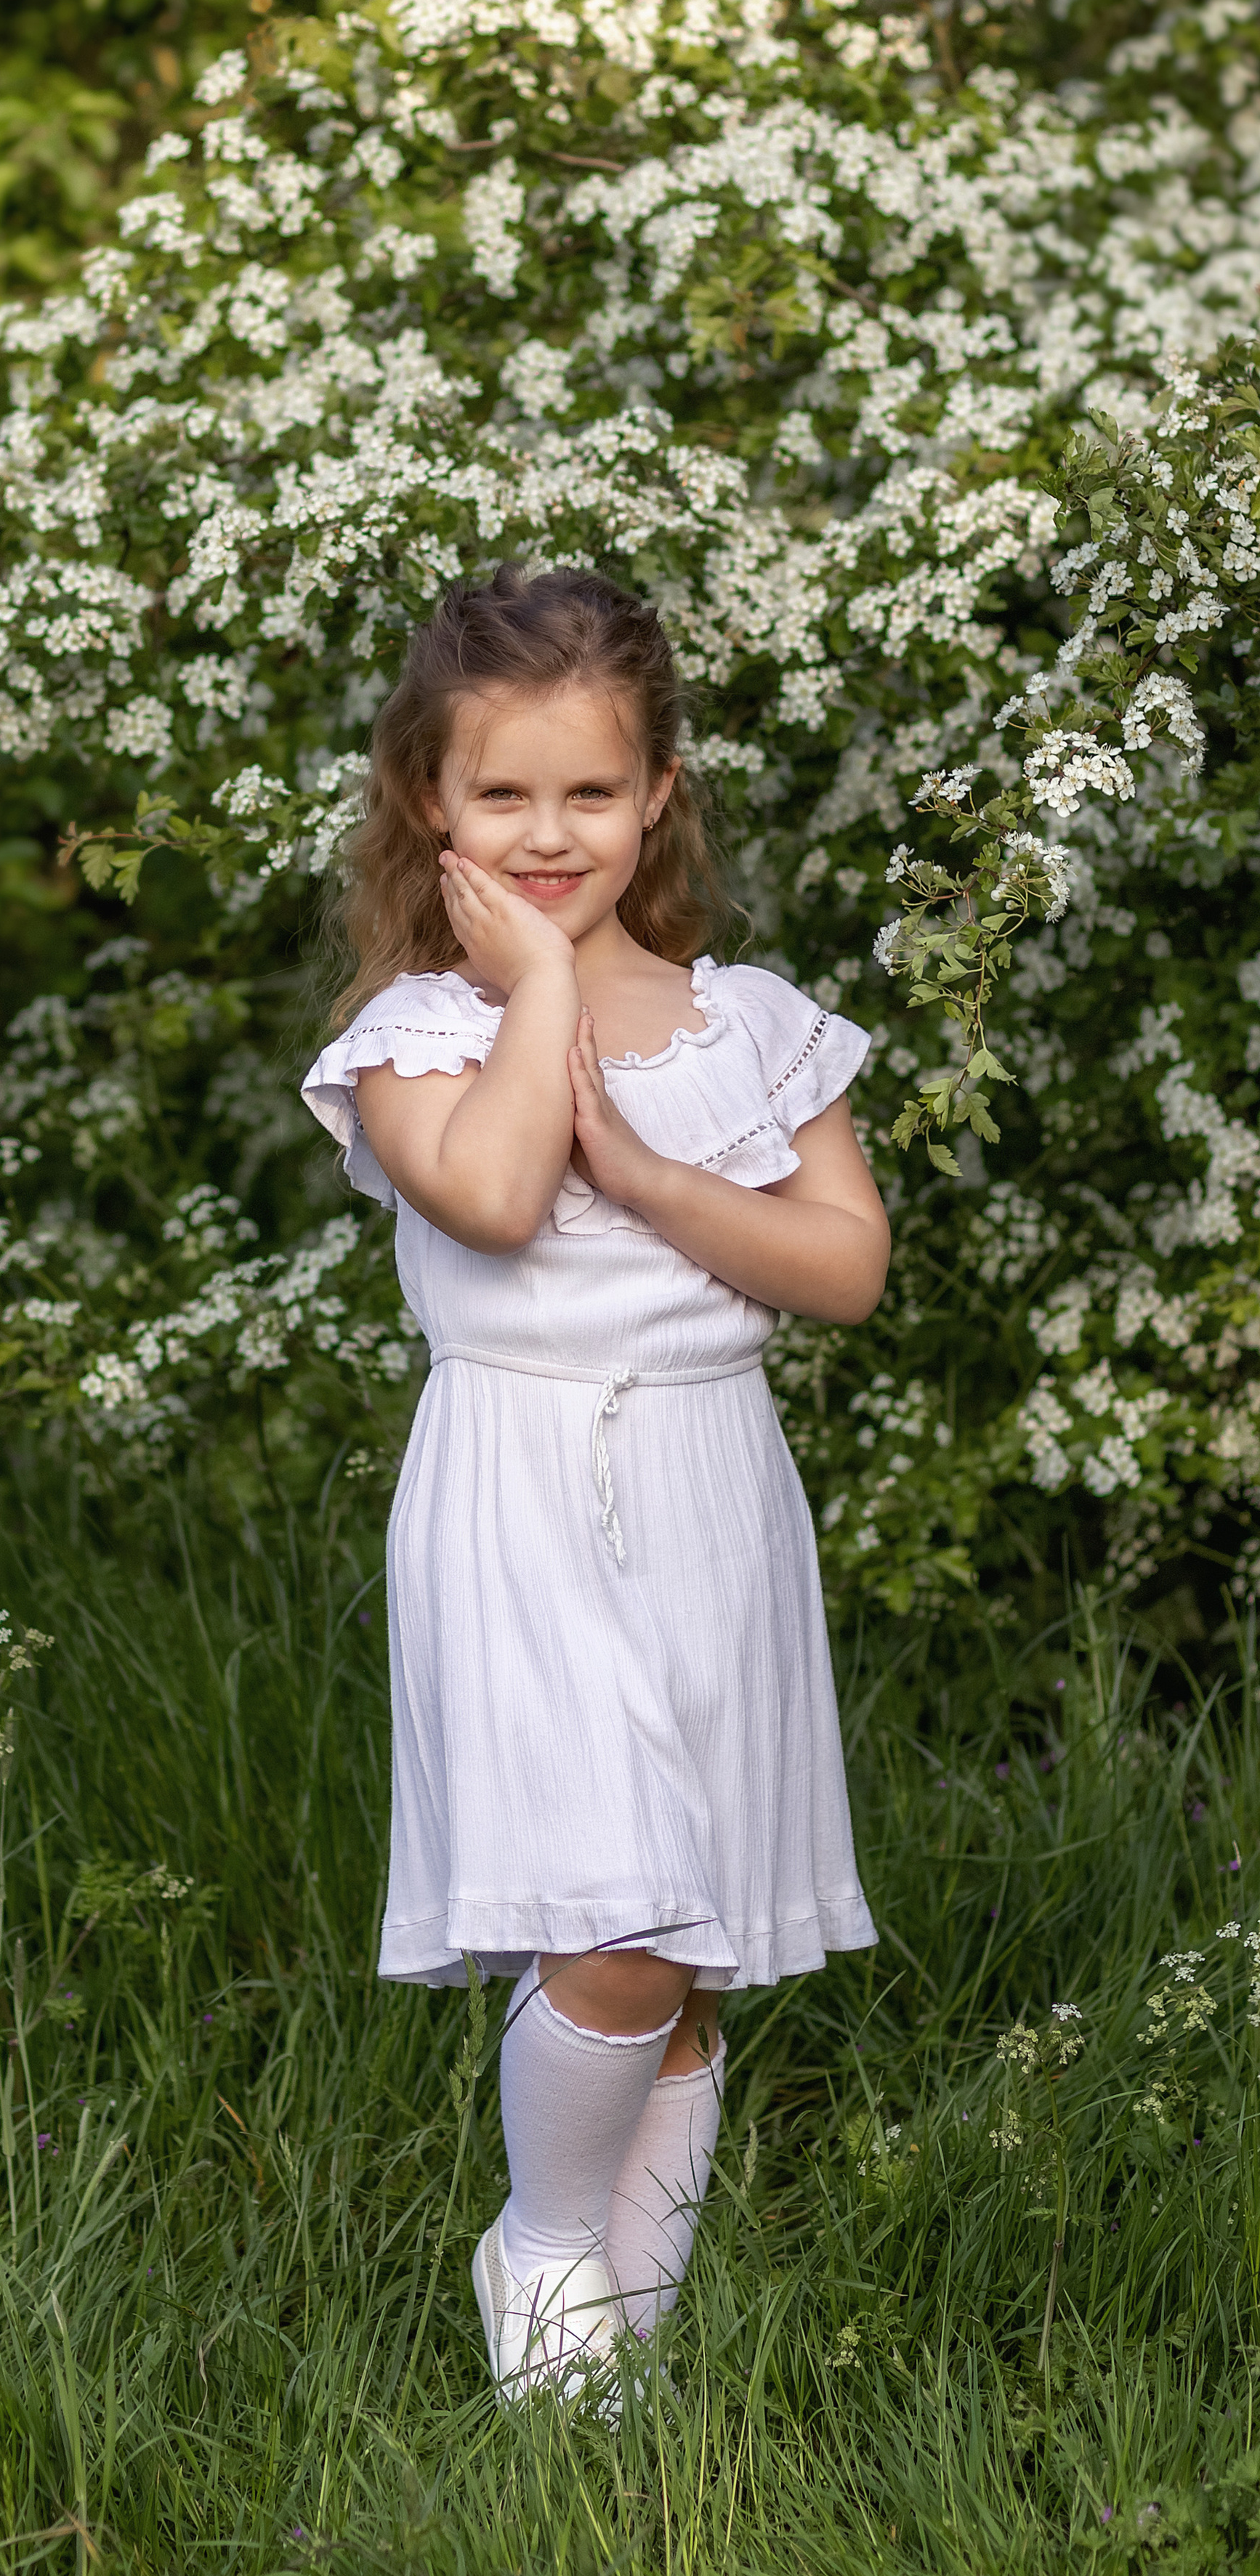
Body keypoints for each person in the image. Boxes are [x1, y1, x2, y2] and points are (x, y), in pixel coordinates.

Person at [300, 564, 889, 2404]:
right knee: (619, 1932)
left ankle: (607, 2374)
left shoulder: (753, 1023)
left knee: (689, 1955)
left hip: (714, 1484)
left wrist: (642, 1176)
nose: (547, 834)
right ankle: (540, 2245)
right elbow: (482, 1193)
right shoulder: (414, 1033)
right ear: (430, 803)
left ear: (655, 796)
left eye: (586, 793)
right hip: (521, 1484)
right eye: (502, 796)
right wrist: (540, 980)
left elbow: (840, 1262)